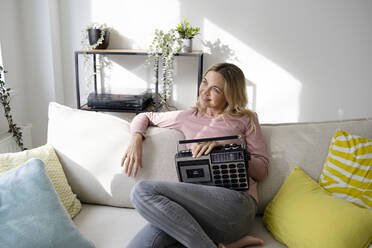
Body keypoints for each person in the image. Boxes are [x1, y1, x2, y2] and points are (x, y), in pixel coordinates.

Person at [121, 63, 269, 248]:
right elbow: (145, 117)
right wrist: (136, 138)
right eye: (204, 83)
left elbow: (262, 171)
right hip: (194, 211)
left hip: (236, 206)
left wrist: (226, 148)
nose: (204, 92)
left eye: (215, 89)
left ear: (230, 95)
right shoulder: (189, 116)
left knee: (142, 191)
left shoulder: (246, 119)